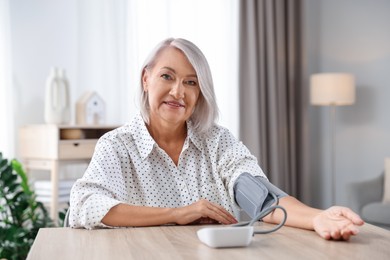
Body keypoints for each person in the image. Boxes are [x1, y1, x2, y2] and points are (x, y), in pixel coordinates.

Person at [69, 38, 364, 240]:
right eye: (167, 77)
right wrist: (177, 214)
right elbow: (85, 205)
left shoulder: (217, 141)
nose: (178, 92)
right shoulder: (117, 145)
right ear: (146, 79)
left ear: (200, 94)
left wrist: (317, 217)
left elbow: (261, 198)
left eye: (191, 82)